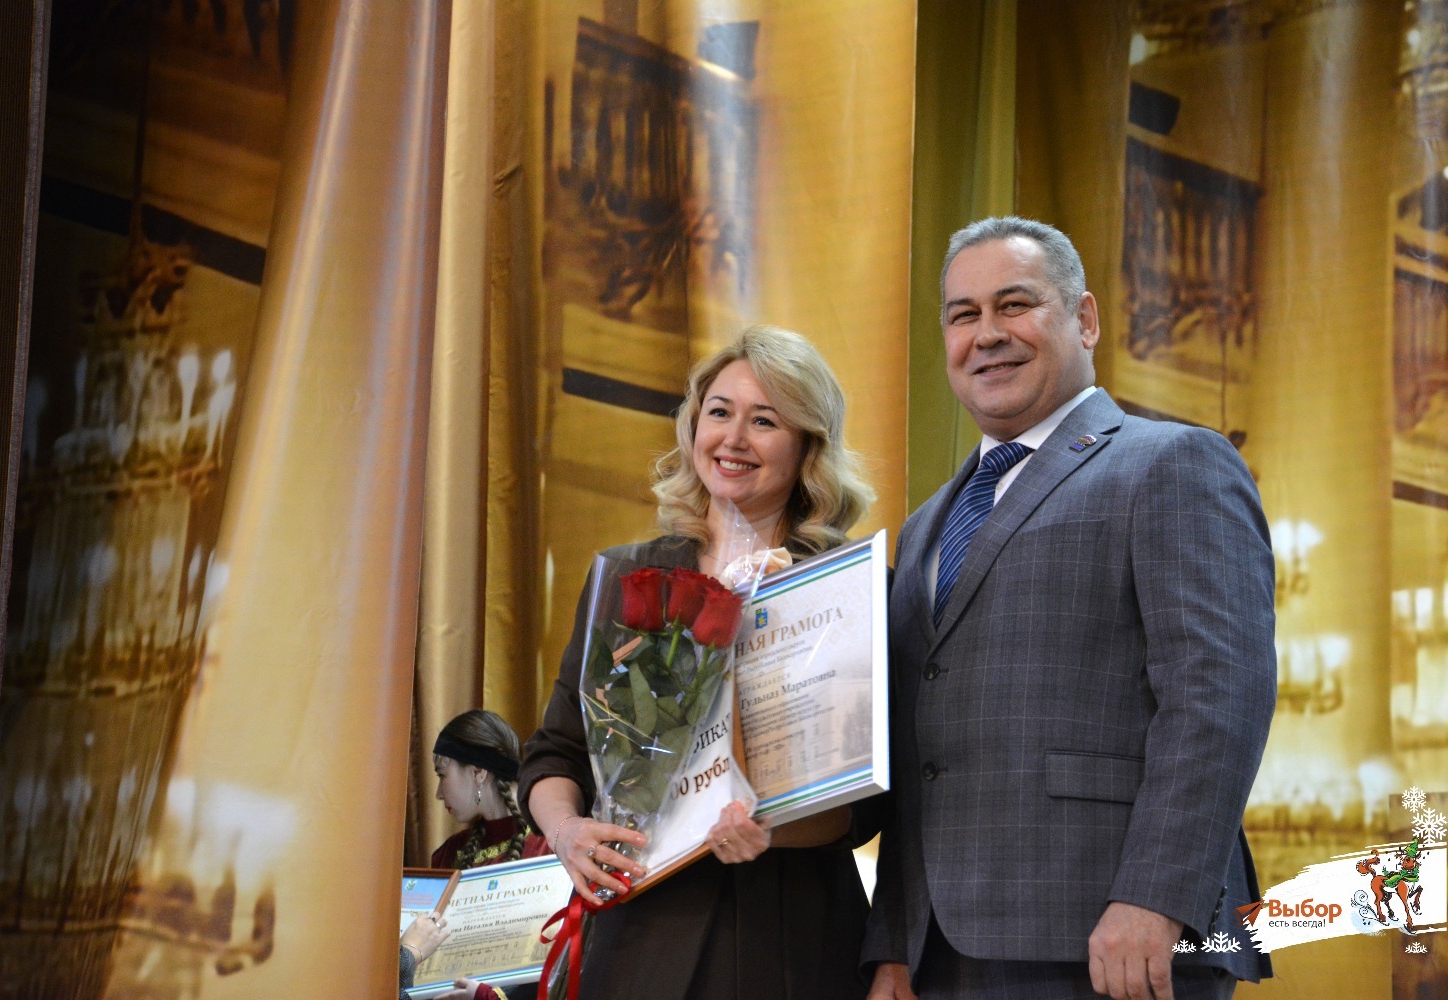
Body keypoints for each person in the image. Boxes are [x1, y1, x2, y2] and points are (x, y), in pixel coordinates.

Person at [862, 216, 1276, 1000]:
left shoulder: (1174, 462)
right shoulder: (923, 529)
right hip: (941, 955)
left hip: (1114, 941)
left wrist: (1155, 897)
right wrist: (893, 943)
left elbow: (1219, 695)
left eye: (1015, 305)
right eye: (963, 315)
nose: (987, 334)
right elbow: (924, 757)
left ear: (1085, 319)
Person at [519, 324, 881, 1000]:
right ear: (693, 429)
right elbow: (555, 753)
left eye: (764, 420)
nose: (734, 438)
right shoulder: (627, 579)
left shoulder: (849, 586)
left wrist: (772, 829)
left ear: (808, 446)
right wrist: (566, 832)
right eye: (719, 413)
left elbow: (867, 803)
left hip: (792, 941)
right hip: (640, 937)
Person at [400, 709, 550, 1000]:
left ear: (478, 772)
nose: (438, 793)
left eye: (442, 775)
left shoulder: (549, 847)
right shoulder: (447, 854)